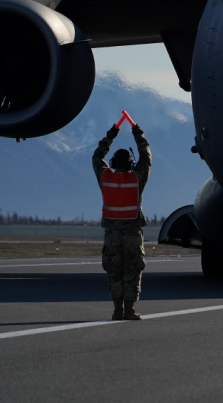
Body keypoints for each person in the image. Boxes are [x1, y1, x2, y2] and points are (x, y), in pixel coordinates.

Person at [92, 119, 151, 320]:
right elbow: (146, 157)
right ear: (130, 163)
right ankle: (130, 309)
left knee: (114, 272)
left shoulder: (105, 178)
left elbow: (97, 156)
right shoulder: (136, 179)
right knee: (132, 271)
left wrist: (111, 135)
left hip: (112, 234)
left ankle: (117, 310)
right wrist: (138, 134)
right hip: (132, 233)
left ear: (114, 163)